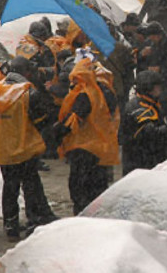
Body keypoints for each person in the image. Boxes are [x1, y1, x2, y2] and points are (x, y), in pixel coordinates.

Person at [0, 57, 58, 240]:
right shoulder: (28, 93)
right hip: (23, 148)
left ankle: (11, 226)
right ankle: (35, 219)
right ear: (26, 72)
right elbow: (43, 120)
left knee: (10, 187)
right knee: (30, 184)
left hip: (2, 149)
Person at [53, 53, 120, 215]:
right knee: (98, 184)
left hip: (83, 146)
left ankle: (83, 215)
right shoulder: (103, 92)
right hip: (99, 144)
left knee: (80, 185)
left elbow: (74, 120)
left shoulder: (85, 95)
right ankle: (97, 212)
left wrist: (56, 132)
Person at [120, 70, 167, 176]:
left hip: (141, 160)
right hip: (141, 163)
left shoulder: (147, 102)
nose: (160, 89)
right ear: (149, 89)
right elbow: (150, 134)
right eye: (157, 86)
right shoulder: (141, 109)